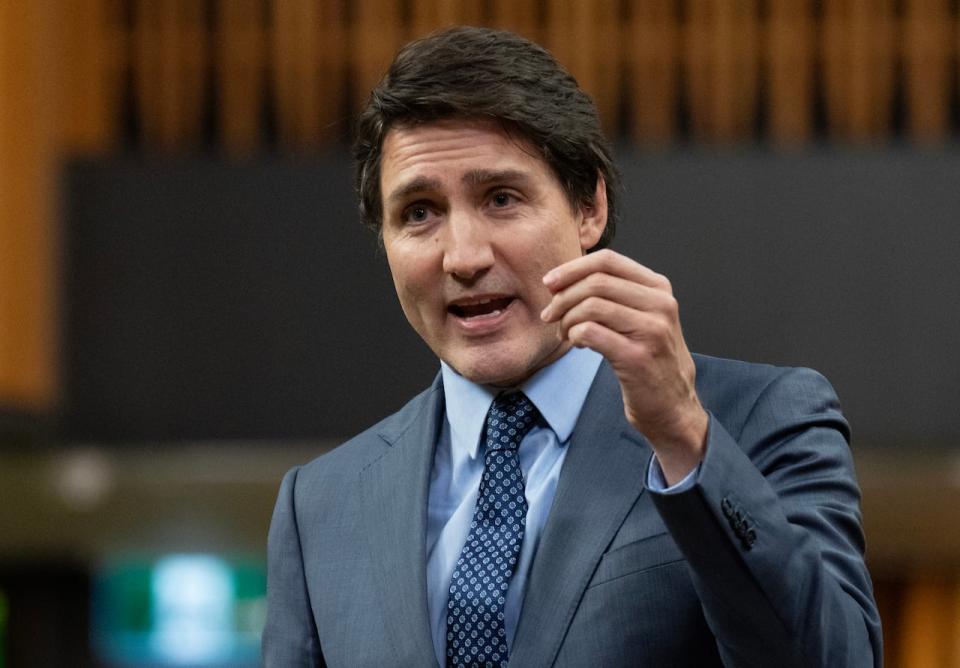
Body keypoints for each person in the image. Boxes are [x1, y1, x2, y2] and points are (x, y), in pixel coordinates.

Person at [263, 26, 882, 667]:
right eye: (419, 212)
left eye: (501, 198)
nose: (464, 257)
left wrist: (683, 438)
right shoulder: (320, 506)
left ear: (588, 207)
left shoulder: (758, 420)